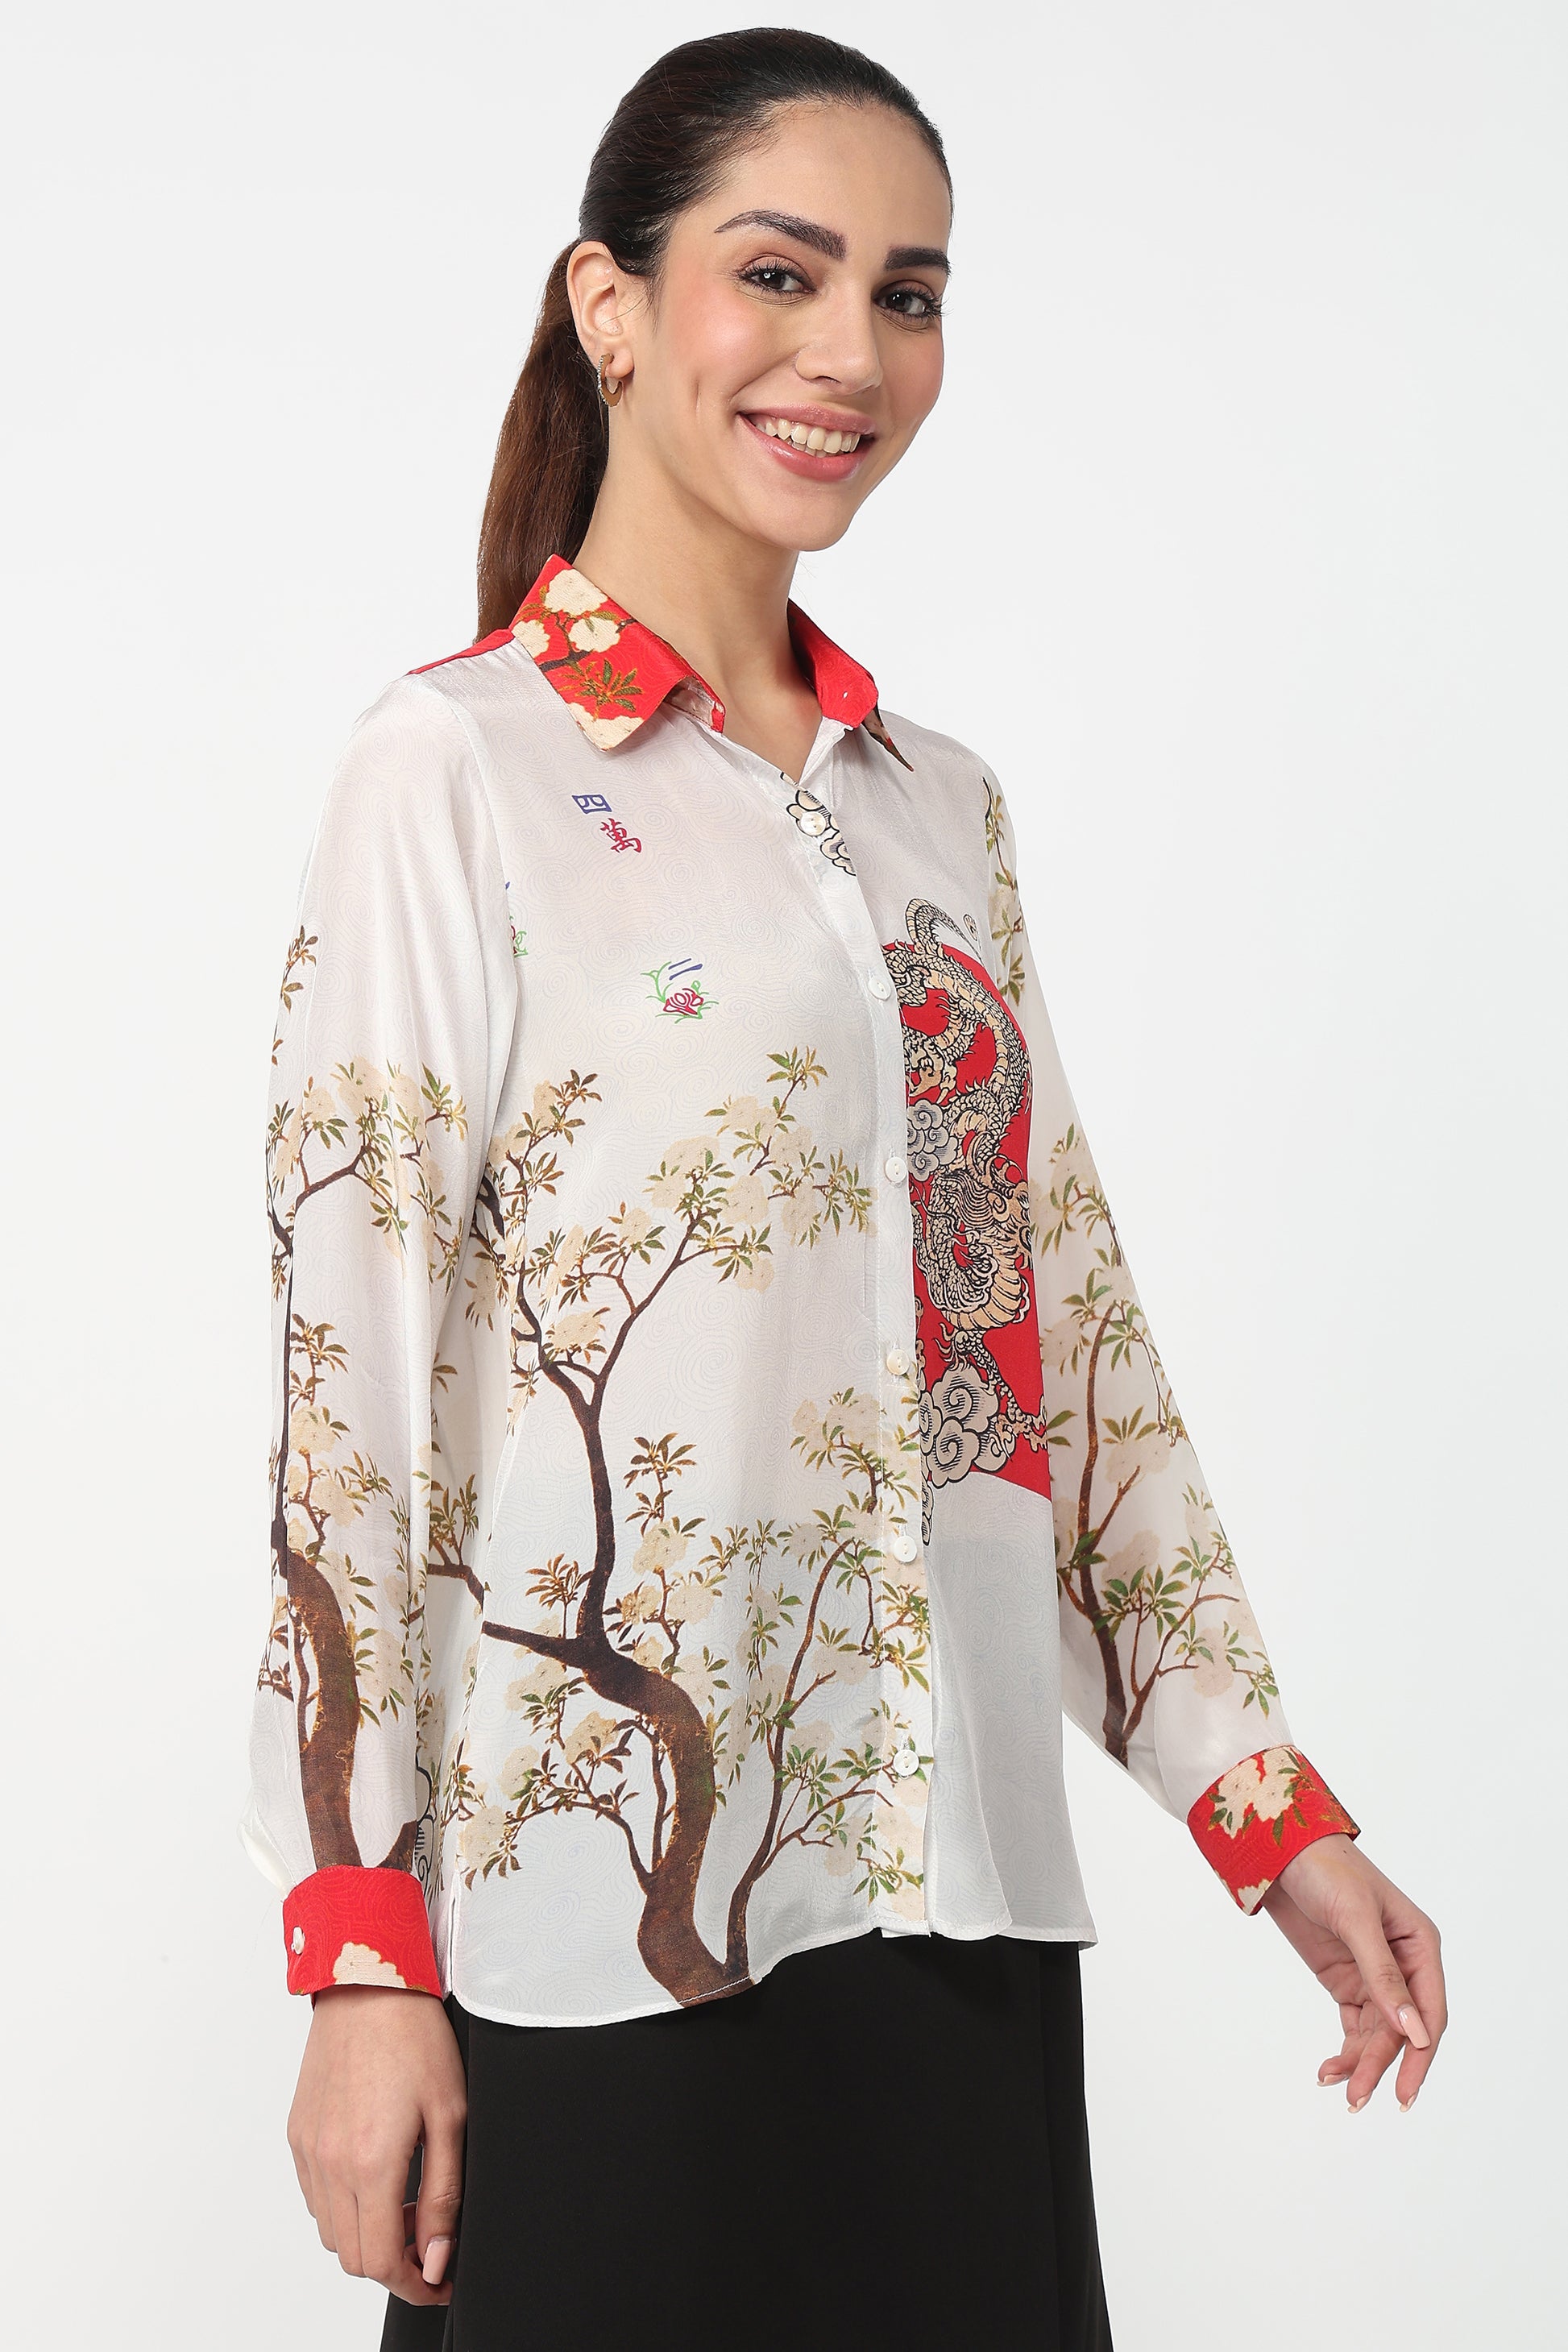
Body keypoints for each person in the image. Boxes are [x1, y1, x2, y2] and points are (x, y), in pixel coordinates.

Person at [244, 30, 1446, 2350]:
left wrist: (1264, 1808)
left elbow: (1050, 1342)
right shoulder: (450, 773)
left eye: (907, 294)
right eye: (778, 274)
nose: (851, 355)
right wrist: (357, 1951)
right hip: (598, 1941)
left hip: (956, 1916)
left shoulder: (938, 812)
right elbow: (350, 1384)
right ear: (610, 306)